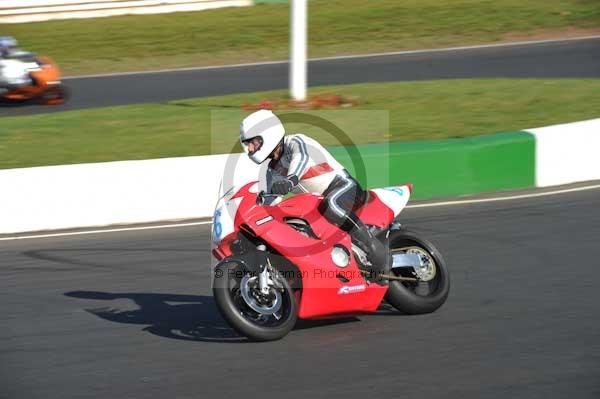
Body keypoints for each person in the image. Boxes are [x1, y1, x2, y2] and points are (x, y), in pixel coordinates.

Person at [239, 109, 389, 284]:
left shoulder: (297, 141)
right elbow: (269, 200)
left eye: (253, 142)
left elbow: (300, 159)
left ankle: (373, 248)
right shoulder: (270, 170)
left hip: (343, 187)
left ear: (268, 134)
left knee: (331, 205)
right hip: (316, 206)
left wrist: (291, 179)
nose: (249, 148)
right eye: (247, 144)